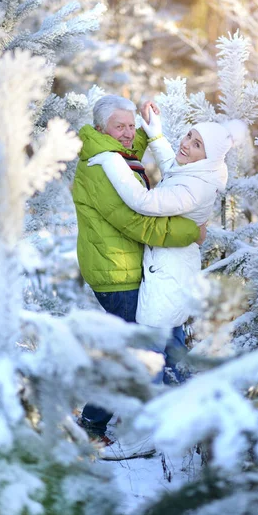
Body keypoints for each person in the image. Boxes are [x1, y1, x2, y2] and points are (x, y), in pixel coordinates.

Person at [72, 95, 204, 453]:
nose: (128, 133)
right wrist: (192, 232)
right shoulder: (100, 167)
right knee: (137, 355)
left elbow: (127, 153)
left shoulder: (110, 152)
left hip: (130, 270)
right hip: (118, 274)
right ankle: (94, 423)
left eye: (131, 126)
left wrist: (145, 127)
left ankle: (183, 411)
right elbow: (134, 222)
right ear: (102, 129)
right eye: (121, 126)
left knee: (156, 344)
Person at [88, 105, 234, 383]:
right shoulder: (199, 173)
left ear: (209, 156)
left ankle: (153, 414)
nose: (186, 144)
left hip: (168, 274)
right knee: (172, 343)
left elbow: (143, 203)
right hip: (176, 268)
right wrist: (155, 134)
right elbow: (172, 168)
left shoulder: (194, 188)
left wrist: (112, 162)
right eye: (189, 136)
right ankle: (183, 403)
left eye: (197, 144)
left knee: (150, 352)